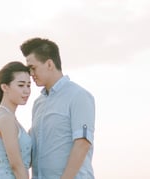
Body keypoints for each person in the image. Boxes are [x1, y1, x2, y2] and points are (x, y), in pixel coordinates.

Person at [21, 37, 95, 179]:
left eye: (33, 68)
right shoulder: (38, 103)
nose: (30, 74)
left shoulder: (79, 96)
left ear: (49, 64)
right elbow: (32, 150)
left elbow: (82, 144)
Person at [0, 61, 33, 179]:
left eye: (28, 85)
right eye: (21, 85)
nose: (26, 91)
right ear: (4, 87)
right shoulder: (6, 119)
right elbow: (16, 165)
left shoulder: (7, 116)